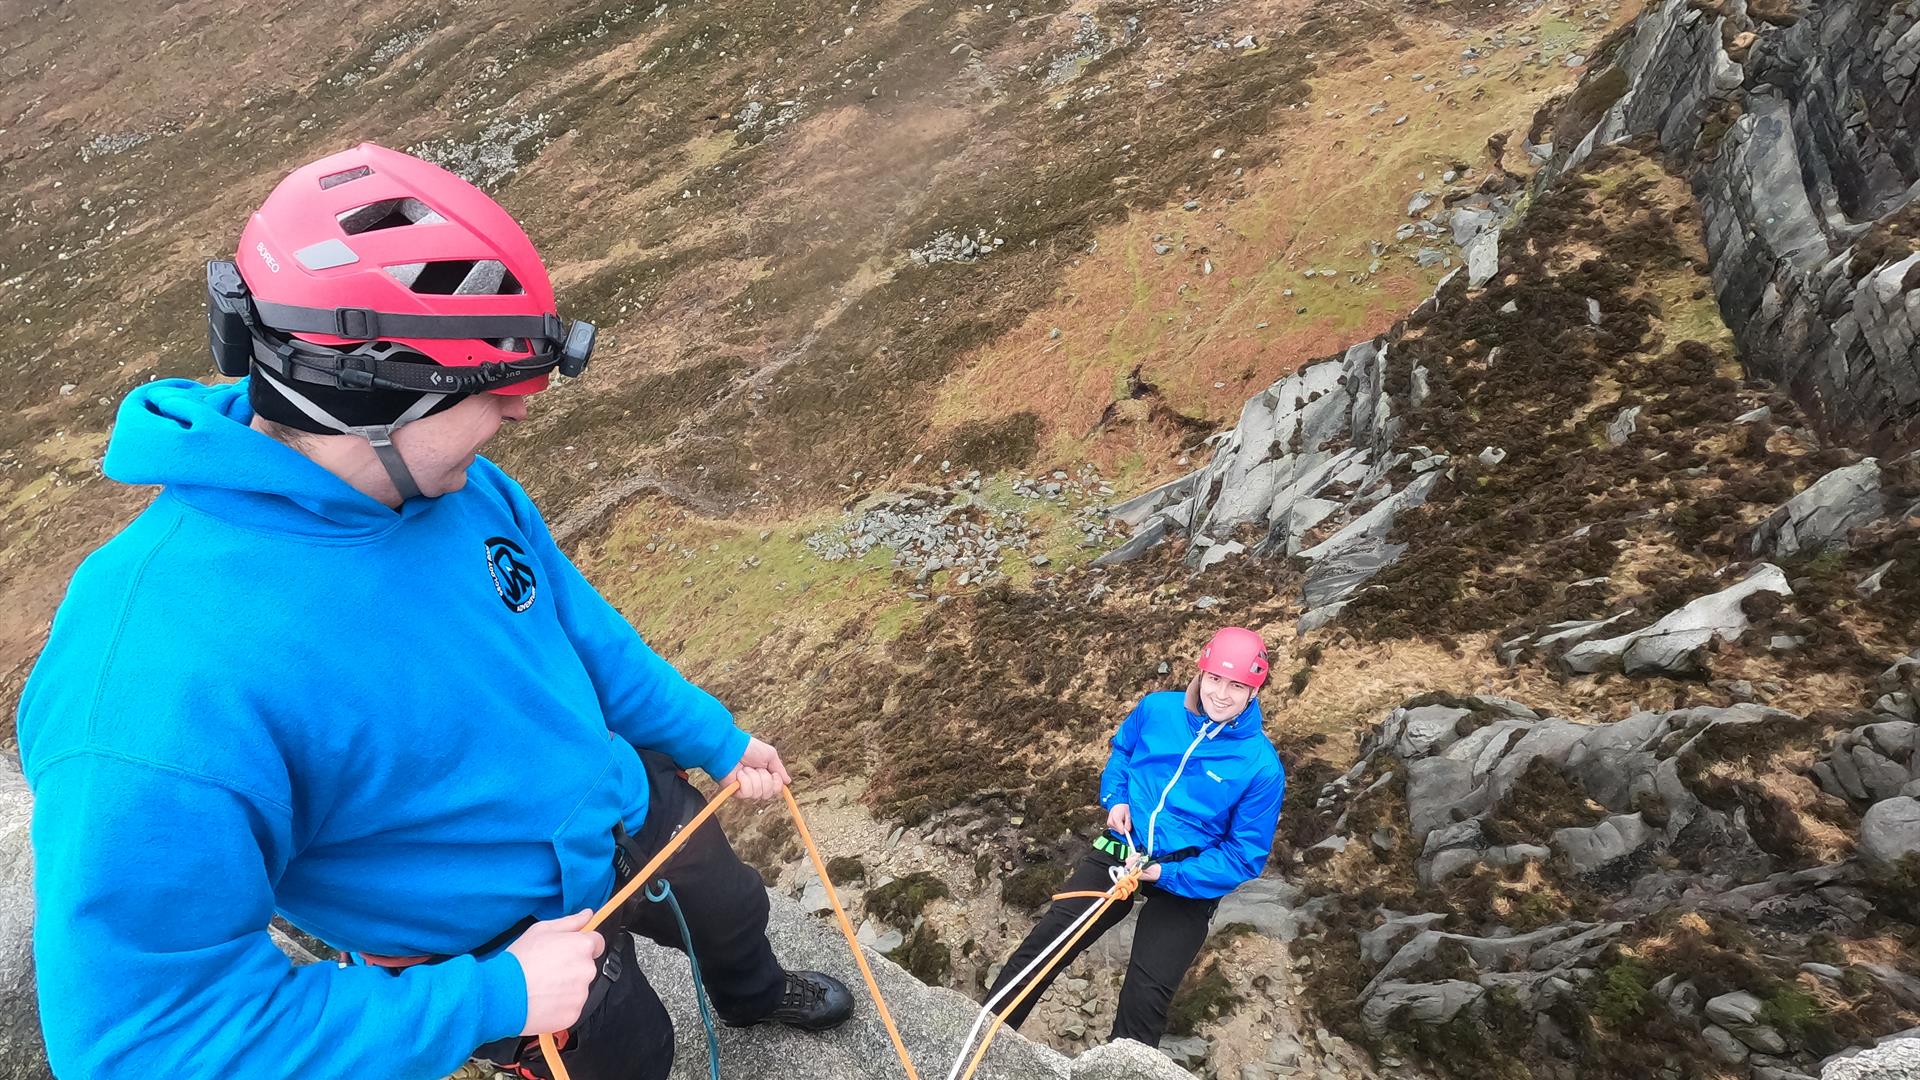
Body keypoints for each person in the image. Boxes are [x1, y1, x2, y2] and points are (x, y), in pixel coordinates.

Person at [16, 143, 850, 1080]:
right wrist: (494, 997)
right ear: (381, 393)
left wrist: (713, 736)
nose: (523, 417)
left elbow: (575, 631)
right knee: (632, 1051)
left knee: (733, 908)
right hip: (488, 947)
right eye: (500, 395)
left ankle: (750, 994)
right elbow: (144, 1042)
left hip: (624, 808)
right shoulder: (150, 679)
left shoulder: (460, 488)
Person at [984, 626, 1285, 1047]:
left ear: (1254, 691)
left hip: (1187, 875)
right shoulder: (1157, 710)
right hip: (1124, 848)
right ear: (1201, 672)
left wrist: (1165, 874)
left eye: (1237, 686)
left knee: (1147, 994)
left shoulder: (1261, 767)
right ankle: (983, 1035)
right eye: (1215, 678)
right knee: (1049, 939)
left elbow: (1242, 856)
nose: (1221, 694)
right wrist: (1116, 798)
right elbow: (1123, 752)